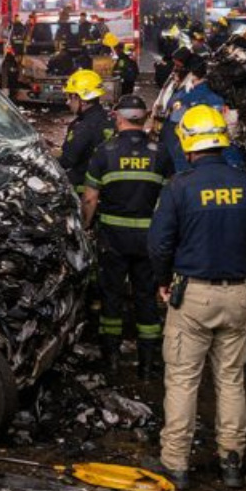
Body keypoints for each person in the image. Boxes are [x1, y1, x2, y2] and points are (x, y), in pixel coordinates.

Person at [148, 104, 246, 490]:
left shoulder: (179, 187)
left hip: (193, 296)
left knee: (183, 380)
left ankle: (176, 463)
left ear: (189, 143)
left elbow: (159, 244)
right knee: (231, 380)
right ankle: (232, 461)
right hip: (239, 294)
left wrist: (162, 281)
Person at [80, 95, 169, 376]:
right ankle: (147, 363)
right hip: (148, 239)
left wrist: (85, 227)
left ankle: (111, 360)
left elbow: (90, 199)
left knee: (111, 296)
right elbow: (168, 200)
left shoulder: (105, 152)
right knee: (145, 296)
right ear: (143, 118)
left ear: (119, 118)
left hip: (113, 238)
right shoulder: (161, 152)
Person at [156, 51, 246, 172]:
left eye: (178, 67)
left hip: (191, 160)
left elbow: (171, 134)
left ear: (190, 74)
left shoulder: (183, 98)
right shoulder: (221, 96)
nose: (175, 70)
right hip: (223, 158)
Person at [59, 69, 114, 193]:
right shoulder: (112, 119)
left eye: (70, 97)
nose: (68, 102)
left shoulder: (82, 126)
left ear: (82, 99)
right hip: (111, 188)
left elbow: (67, 161)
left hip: (85, 190)